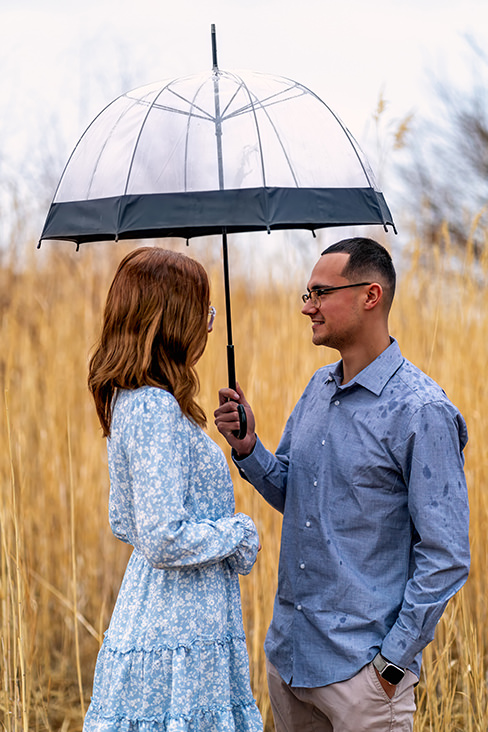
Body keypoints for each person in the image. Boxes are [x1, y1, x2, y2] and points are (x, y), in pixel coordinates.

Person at [214, 237, 470, 732]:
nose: (307, 306)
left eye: (320, 293)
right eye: (306, 293)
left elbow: (446, 555)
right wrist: (249, 449)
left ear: (370, 296)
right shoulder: (316, 389)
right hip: (290, 661)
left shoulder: (421, 411)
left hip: (364, 679)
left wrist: (391, 664)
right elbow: (296, 496)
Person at [84, 247, 263, 732]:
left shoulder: (137, 401)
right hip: (177, 622)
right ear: (174, 318)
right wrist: (237, 532)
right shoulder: (155, 409)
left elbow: (126, 521)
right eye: (204, 310)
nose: (209, 324)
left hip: (176, 613)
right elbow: (161, 536)